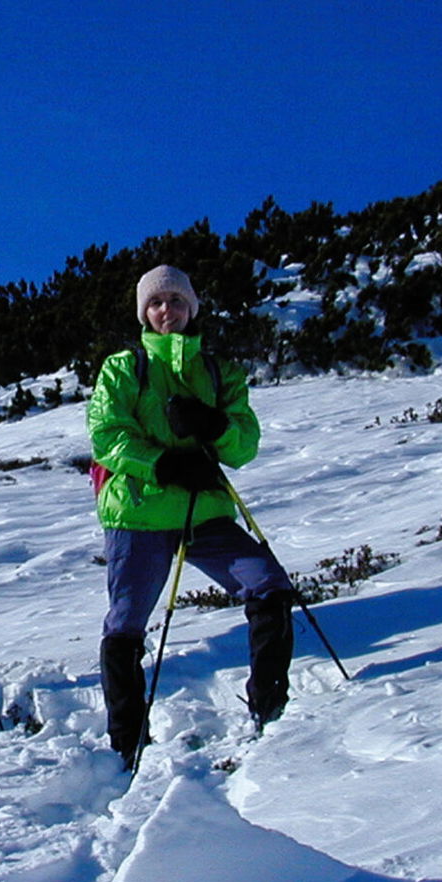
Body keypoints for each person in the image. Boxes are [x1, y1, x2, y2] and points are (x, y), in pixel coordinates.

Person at [86, 265, 295, 769]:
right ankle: (127, 740)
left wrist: (215, 425)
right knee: (127, 623)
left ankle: (273, 711)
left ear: (191, 307)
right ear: (144, 312)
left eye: (176, 301)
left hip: (205, 508)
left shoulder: (219, 372)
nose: (166, 311)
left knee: (269, 586)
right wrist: (163, 463)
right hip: (138, 512)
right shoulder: (123, 367)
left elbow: (244, 445)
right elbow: (106, 435)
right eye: (156, 303)